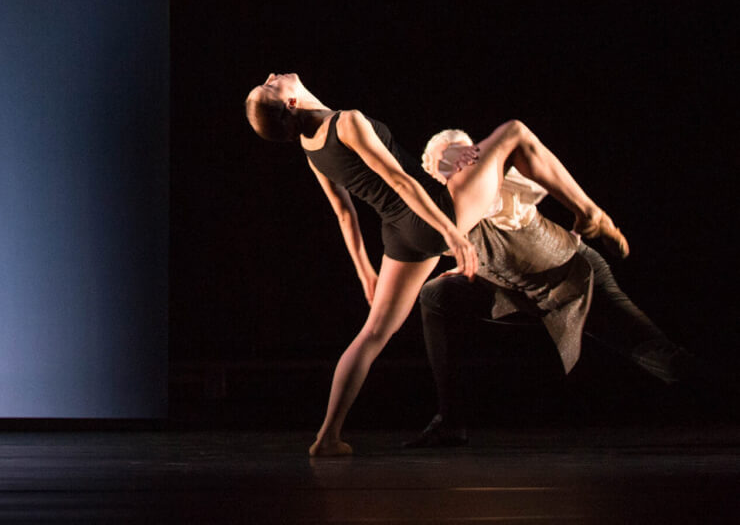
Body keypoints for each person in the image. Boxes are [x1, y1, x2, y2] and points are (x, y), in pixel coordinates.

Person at [407, 128, 690, 447]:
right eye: (451, 158)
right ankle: (450, 420)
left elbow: (511, 142)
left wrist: (454, 154)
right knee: (435, 293)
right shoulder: (440, 207)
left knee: (660, 356)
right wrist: (467, 266)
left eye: (469, 155)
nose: (462, 163)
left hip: (570, 276)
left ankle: (591, 214)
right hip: (514, 290)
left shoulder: (491, 182)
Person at [245, 73, 478, 456]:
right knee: (512, 138)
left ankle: (328, 437)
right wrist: (451, 232)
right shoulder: (347, 122)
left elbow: (344, 214)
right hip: (424, 218)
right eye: (270, 86)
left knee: (371, 335)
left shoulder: (311, 145)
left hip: (397, 234)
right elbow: (401, 181)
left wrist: (364, 271)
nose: (272, 76)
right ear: (289, 103)